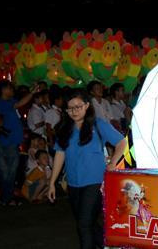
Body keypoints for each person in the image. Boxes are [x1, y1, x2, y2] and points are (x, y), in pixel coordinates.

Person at [48, 90, 126, 249]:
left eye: (78, 107)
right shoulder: (65, 128)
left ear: (87, 106)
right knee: (86, 223)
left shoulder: (98, 124)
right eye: (70, 108)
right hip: (73, 183)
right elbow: (59, 155)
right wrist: (52, 182)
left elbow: (121, 143)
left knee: (83, 224)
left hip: (95, 181)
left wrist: (113, 162)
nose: (74, 111)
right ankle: (108, 245)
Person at [0, 81, 36, 205]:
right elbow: (19, 104)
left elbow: (19, 103)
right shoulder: (0, 104)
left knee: (11, 172)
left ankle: (7, 197)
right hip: (7, 142)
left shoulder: (10, 102)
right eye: (9, 88)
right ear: (3, 90)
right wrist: (31, 94)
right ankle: (7, 197)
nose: (12, 91)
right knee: (8, 172)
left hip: (14, 141)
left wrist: (30, 93)